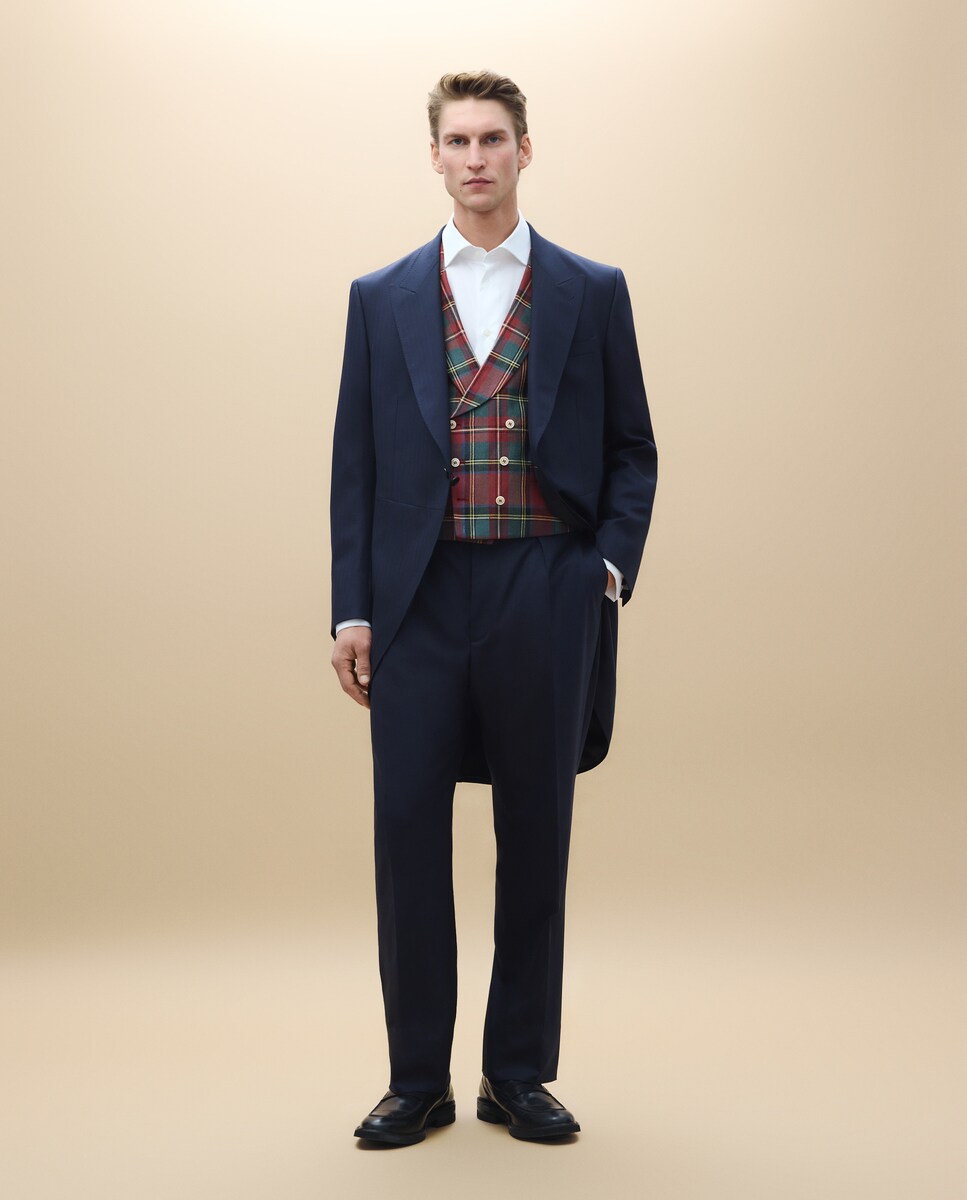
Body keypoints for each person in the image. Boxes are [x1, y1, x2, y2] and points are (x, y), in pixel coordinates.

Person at [330, 69, 657, 1146]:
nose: (476, 157)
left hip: (544, 589)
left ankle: (516, 1073)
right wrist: (351, 610)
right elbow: (355, 467)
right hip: (416, 600)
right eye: (459, 140)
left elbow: (632, 449)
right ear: (434, 155)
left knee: (536, 835)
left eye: (494, 139)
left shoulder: (590, 289)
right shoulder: (380, 296)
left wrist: (602, 571)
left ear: (524, 150)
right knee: (406, 837)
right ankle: (415, 1078)